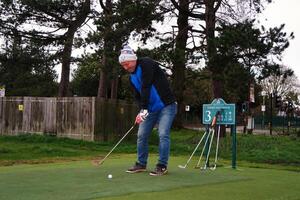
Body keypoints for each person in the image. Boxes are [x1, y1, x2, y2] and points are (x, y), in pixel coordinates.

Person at [118, 45, 177, 176]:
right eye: (123, 65)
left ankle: (162, 165)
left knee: (163, 134)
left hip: (167, 106)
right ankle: (141, 163)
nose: (126, 67)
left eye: (126, 63)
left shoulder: (146, 63)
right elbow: (138, 96)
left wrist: (144, 109)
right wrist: (141, 110)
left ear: (133, 59)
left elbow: (146, 86)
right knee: (141, 135)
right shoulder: (131, 78)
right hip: (150, 109)